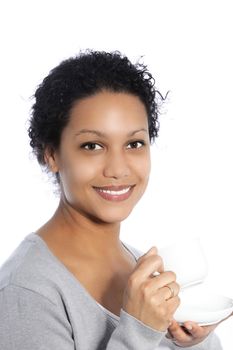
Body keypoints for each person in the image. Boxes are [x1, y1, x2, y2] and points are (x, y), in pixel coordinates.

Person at [0, 50, 223, 349]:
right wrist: (140, 332)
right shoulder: (27, 291)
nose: (118, 169)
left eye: (134, 143)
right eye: (92, 145)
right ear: (51, 154)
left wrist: (192, 344)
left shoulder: (142, 268)